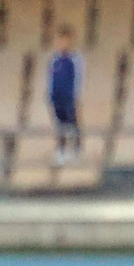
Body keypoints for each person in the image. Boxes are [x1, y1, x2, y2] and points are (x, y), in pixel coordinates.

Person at [48, 26, 84, 165]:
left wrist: (76, 96)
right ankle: (61, 152)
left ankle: (76, 151)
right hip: (57, 97)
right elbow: (50, 78)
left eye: (65, 40)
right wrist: (50, 95)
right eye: (60, 40)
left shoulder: (76, 59)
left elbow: (79, 78)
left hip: (70, 97)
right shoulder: (54, 60)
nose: (62, 43)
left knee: (73, 124)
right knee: (60, 125)